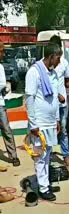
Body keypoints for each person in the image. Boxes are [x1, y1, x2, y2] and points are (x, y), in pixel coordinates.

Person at [25, 43, 62, 201]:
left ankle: (45, 182)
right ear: (51, 56)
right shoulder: (34, 72)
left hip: (50, 122)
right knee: (40, 157)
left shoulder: (52, 73)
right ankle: (43, 188)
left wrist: (57, 119)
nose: (59, 61)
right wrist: (33, 124)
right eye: (57, 58)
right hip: (39, 124)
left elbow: (55, 98)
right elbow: (30, 99)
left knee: (48, 156)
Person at [49, 35, 69, 168]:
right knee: (49, 129)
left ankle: (66, 156)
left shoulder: (64, 62)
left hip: (62, 104)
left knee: (64, 130)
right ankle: (48, 155)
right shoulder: (43, 66)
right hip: (49, 104)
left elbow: (67, 82)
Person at [0, 42, 20, 171]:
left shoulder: (0, 67)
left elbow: (2, 84)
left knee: (6, 129)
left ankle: (13, 156)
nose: (2, 54)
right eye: (1, 52)